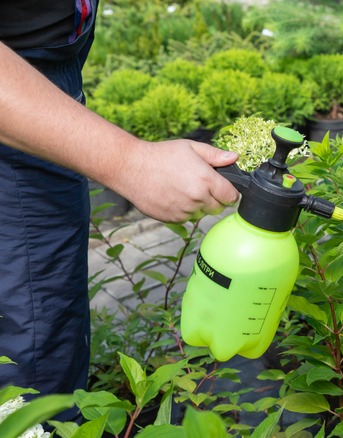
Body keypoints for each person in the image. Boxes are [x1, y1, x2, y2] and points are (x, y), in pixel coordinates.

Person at [0, 1, 240, 422]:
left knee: (52, 323)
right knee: (32, 367)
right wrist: (130, 162)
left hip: (44, 85)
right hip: (14, 102)